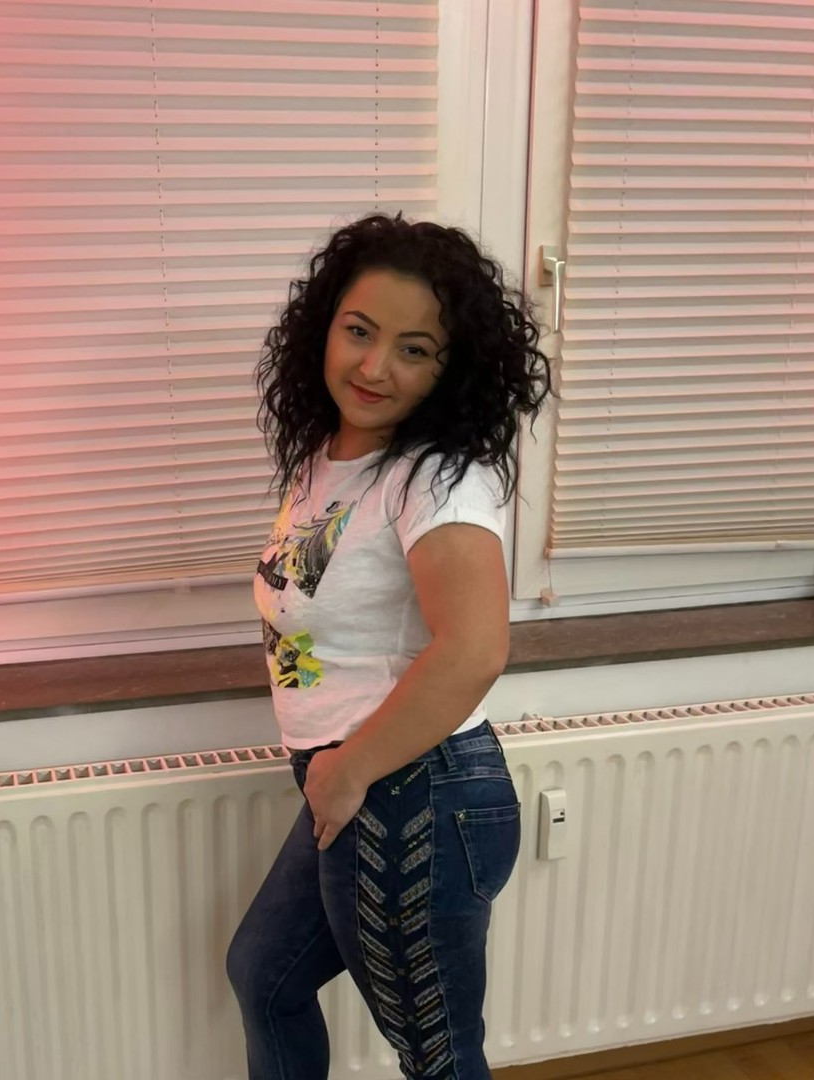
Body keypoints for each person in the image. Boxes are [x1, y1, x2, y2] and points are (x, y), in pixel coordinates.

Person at [226, 211, 551, 1080]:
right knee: (264, 977)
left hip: (414, 789)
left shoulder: (437, 476)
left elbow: (475, 649)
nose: (374, 367)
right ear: (323, 328)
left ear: (452, 367)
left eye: (414, 349)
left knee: (438, 1057)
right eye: (360, 331)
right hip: (364, 782)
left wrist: (349, 768)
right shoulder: (329, 457)